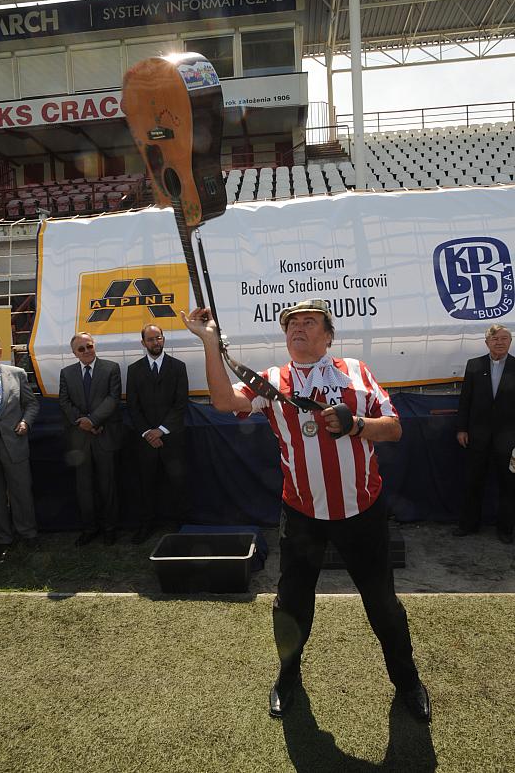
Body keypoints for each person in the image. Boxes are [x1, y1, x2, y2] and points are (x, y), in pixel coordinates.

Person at [182, 298, 430, 722]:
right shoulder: (271, 380)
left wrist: (356, 425)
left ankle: (407, 682)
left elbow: (394, 428)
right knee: (292, 605)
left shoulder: (357, 371)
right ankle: (287, 677)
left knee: (383, 604)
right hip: (302, 515)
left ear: (328, 336)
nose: (297, 327)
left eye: (309, 321)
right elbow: (223, 402)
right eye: (291, 322)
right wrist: (209, 342)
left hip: (362, 512)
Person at [126, 324, 190, 544]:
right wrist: (148, 433)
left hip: (172, 438)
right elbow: (133, 406)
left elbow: (181, 404)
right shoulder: (134, 370)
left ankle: (182, 525)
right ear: (143, 343)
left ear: (163, 339)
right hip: (146, 441)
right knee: (147, 484)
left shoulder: (178, 367)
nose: (156, 342)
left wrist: (161, 431)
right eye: (151, 339)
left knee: (178, 483)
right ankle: (147, 525)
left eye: (159, 338)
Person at [59, 332, 122, 546]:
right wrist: (83, 422)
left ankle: (110, 529)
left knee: (108, 485)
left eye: (89, 346)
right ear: (74, 353)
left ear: (94, 346)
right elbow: (64, 402)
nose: (87, 351)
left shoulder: (111, 368)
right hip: (80, 439)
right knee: (84, 487)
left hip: (105, 434)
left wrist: (93, 421)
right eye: (81, 349)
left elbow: (113, 398)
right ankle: (89, 529)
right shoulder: (66, 373)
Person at [454, 324, 515, 544]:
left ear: (510, 341)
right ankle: (468, 525)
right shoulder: (474, 365)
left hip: (508, 438)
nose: (500, 342)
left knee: (508, 484)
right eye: (495, 338)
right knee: (473, 481)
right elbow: (465, 400)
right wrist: (461, 428)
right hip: (477, 436)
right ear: (486, 341)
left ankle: (505, 529)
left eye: (504, 338)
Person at [0, 338, 40, 558]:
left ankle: (28, 534)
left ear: (0, 352)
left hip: (15, 442)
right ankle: (3, 538)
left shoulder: (17, 373)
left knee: (21, 491)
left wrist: (25, 422)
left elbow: (31, 404)